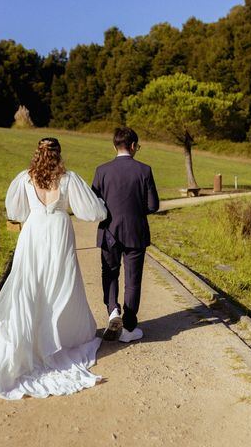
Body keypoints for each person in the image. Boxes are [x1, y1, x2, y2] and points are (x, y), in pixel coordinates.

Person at [0, 137, 107, 400]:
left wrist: (34, 212)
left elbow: (16, 211)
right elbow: (91, 212)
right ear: (59, 154)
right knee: (61, 284)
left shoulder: (24, 178)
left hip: (34, 232)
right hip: (58, 230)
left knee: (30, 284)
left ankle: (31, 338)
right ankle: (61, 337)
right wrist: (103, 209)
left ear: (38, 152)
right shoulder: (68, 179)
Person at [92, 127, 160, 342]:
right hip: (135, 232)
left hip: (109, 231)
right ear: (133, 146)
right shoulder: (145, 170)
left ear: (115, 146)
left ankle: (113, 310)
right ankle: (129, 328)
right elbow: (153, 205)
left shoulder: (101, 170)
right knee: (133, 279)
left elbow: (93, 204)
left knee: (110, 273)